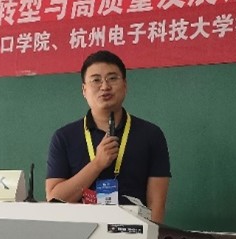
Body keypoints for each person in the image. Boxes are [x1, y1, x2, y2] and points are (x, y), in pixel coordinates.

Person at [45, 50, 171, 223]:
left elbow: (156, 203)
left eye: (112, 78)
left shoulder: (151, 134)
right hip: (79, 234)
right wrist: (97, 164)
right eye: (96, 80)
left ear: (125, 85)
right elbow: (54, 199)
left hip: (133, 234)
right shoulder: (64, 137)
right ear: (84, 90)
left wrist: (148, 238)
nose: (105, 86)